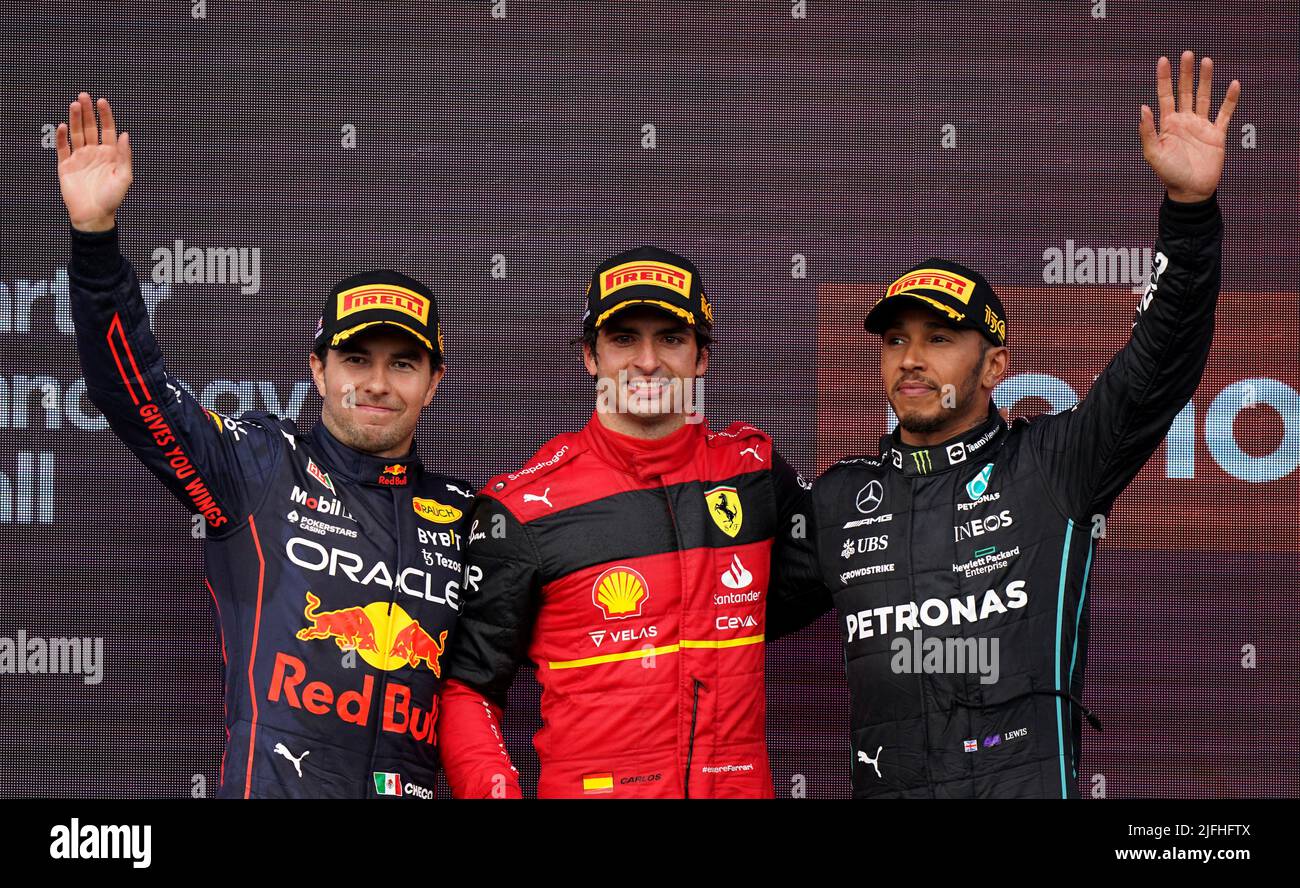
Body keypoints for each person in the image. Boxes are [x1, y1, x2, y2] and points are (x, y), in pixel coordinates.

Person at [808, 52, 1240, 798]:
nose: (912, 360)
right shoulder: (838, 498)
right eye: (895, 340)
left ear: (997, 366)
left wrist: (1189, 216)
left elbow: (1158, 364)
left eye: (940, 339)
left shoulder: (1053, 465)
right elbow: (716, 605)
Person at [58, 94, 475, 798]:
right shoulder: (259, 467)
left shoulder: (471, 518)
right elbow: (134, 394)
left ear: (434, 382)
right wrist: (96, 243)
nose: (376, 383)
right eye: (355, 359)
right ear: (317, 369)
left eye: (403, 364)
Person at [437, 247, 826, 798]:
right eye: (623, 339)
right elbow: (467, 689)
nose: (647, 361)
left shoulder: (754, 473)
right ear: (590, 357)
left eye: (671, 338)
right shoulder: (522, 508)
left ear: (701, 358)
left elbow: (824, 579)